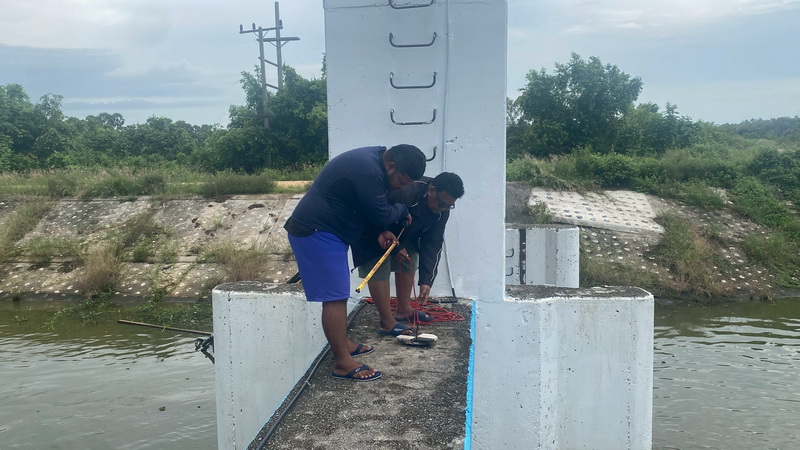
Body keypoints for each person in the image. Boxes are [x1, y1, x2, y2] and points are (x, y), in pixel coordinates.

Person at [284, 144, 426, 382]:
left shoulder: (375, 161)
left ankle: (344, 344)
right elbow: (381, 212)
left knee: (339, 294)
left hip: (330, 232)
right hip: (316, 231)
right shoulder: (367, 169)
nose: (400, 187)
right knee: (335, 298)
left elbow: (363, 206)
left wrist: (381, 231)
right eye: (401, 182)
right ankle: (341, 362)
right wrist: (402, 210)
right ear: (391, 166)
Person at [352, 172, 464, 337]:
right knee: (379, 265)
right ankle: (386, 321)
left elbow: (433, 243)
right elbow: (376, 211)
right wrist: (396, 248)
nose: (444, 209)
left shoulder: (442, 210)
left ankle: (403, 310)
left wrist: (427, 280)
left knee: (410, 257)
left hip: (400, 234)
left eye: (449, 206)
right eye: (442, 203)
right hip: (372, 228)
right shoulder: (408, 190)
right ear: (431, 190)